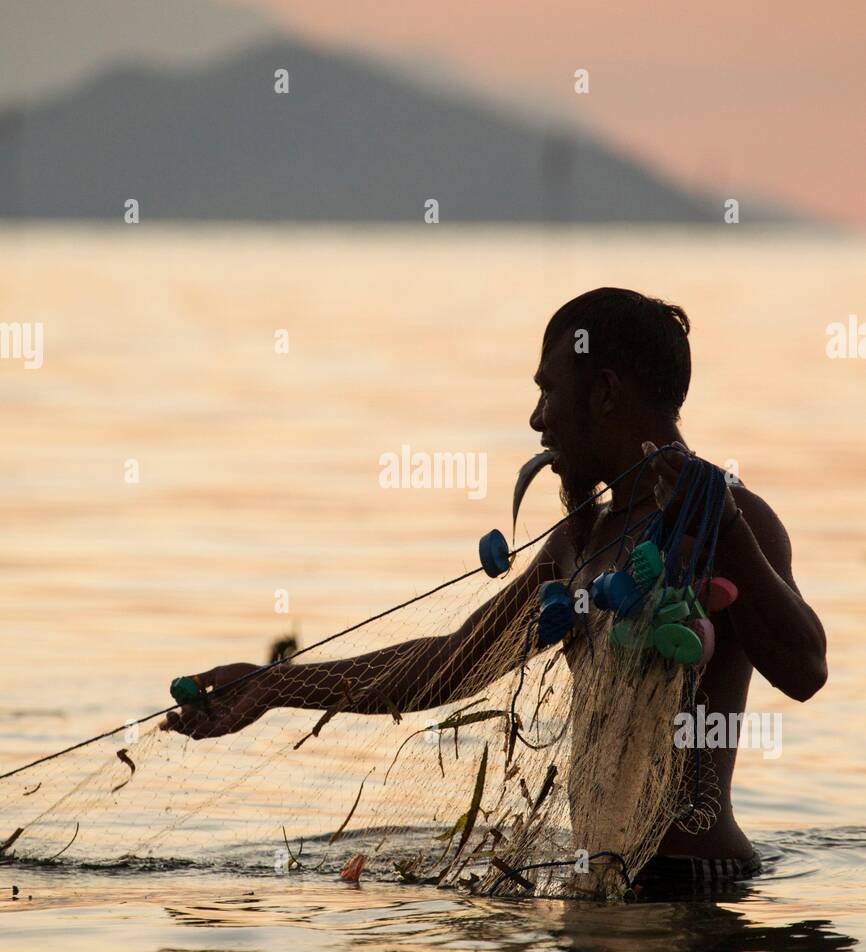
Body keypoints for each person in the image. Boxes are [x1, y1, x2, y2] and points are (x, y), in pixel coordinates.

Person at [163, 287, 827, 882]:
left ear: (603, 392)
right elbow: (446, 665)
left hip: (695, 888)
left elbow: (806, 670)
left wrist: (730, 531)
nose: (538, 419)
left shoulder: (729, 521)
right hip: (598, 886)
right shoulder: (578, 542)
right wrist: (271, 687)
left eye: (548, 392)